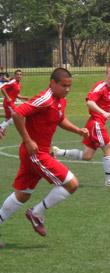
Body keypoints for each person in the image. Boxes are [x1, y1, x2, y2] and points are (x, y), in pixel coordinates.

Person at [0, 68, 89, 246]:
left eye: (69, 86)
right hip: (36, 153)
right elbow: (18, 113)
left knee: (22, 194)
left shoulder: (59, 100)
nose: (67, 90)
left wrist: (77, 130)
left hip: (37, 152)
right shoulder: (45, 99)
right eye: (64, 86)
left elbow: (60, 119)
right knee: (72, 184)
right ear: (52, 83)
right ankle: (37, 212)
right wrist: (27, 140)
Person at [52, 64, 110, 188]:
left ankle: (58, 152)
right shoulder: (100, 87)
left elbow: (108, 104)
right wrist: (103, 113)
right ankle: (109, 180)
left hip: (96, 124)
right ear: (106, 74)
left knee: (87, 155)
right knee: (109, 149)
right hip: (96, 123)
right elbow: (89, 102)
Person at [0, 69, 29, 136]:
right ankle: (1, 126)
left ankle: (2, 129)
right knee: (17, 116)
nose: (19, 76)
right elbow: (2, 88)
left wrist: (24, 98)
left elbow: (16, 95)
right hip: (9, 103)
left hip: (10, 103)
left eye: (20, 74)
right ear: (15, 75)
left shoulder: (19, 84)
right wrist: (7, 98)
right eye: (17, 74)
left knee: (8, 118)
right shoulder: (13, 82)